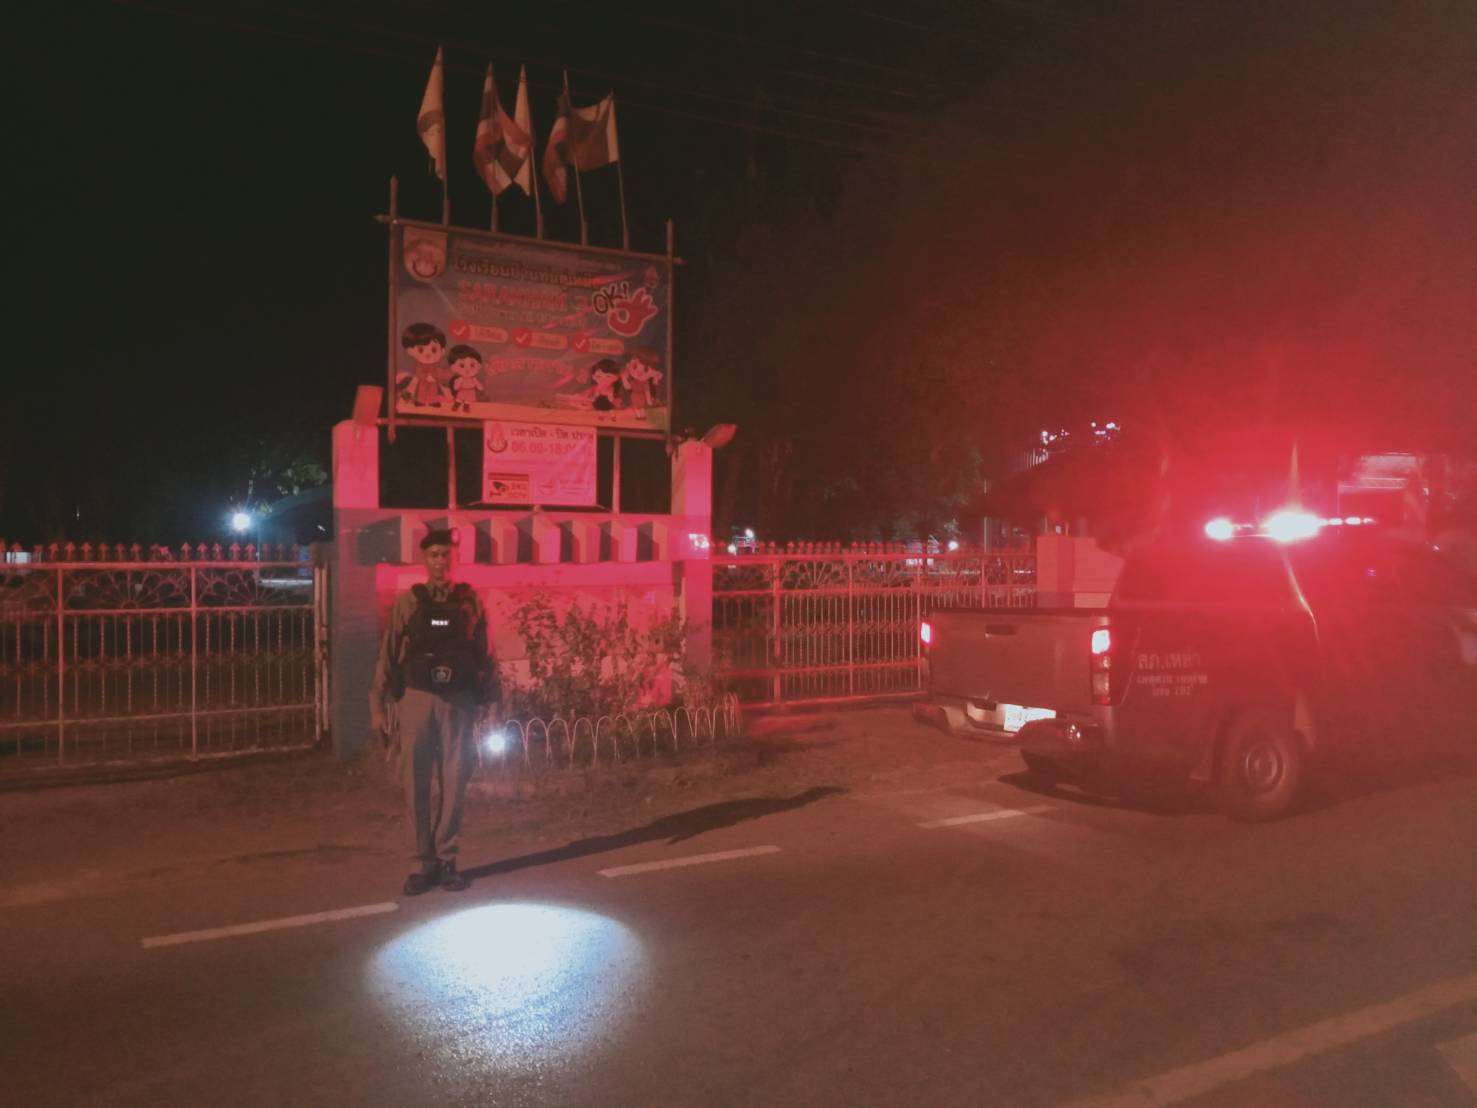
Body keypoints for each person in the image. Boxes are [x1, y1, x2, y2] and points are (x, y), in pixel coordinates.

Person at [370, 529, 500, 895]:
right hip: (416, 698)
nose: (441, 561)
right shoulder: (409, 601)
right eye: (434, 555)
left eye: (447, 554)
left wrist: (493, 703)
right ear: (425, 560)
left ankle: (447, 859)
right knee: (415, 781)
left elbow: (487, 653)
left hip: (458, 701)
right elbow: (388, 652)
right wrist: (377, 705)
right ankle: (420, 863)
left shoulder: (470, 601)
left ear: (456, 558)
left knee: (455, 781)